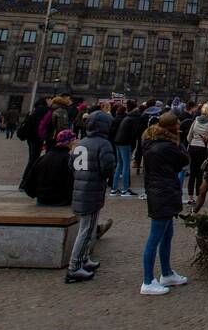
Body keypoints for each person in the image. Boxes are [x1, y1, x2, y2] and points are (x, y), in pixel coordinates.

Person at [139, 112, 190, 296]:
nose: (179, 126)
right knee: (155, 238)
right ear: (171, 127)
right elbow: (184, 160)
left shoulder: (152, 142)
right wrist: (179, 140)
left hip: (161, 191)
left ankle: (167, 273)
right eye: (177, 124)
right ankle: (147, 281)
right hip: (163, 193)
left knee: (167, 235)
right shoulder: (167, 146)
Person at [67, 109, 116, 283]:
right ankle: (74, 268)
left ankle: (85, 258)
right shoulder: (103, 144)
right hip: (93, 188)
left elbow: (71, 165)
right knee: (87, 230)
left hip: (80, 187)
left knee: (88, 225)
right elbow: (108, 167)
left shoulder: (81, 142)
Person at [25, 129, 76, 206]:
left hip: (41, 200)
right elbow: (70, 182)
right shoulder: (67, 159)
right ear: (68, 143)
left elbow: (29, 182)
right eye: (72, 141)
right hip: (60, 201)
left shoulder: (43, 158)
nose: (74, 143)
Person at [111, 103, 142, 197]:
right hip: (125, 142)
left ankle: (114, 188)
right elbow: (135, 132)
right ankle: (125, 189)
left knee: (119, 165)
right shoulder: (135, 118)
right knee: (125, 165)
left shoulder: (128, 117)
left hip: (118, 141)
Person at [186, 104, 208, 203]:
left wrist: (192, 142)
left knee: (192, 173)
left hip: (193, 147)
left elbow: (189, 136)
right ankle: (198, 196)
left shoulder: (195, 120)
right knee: (200, 173)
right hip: (202, 148)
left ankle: (190, 197)